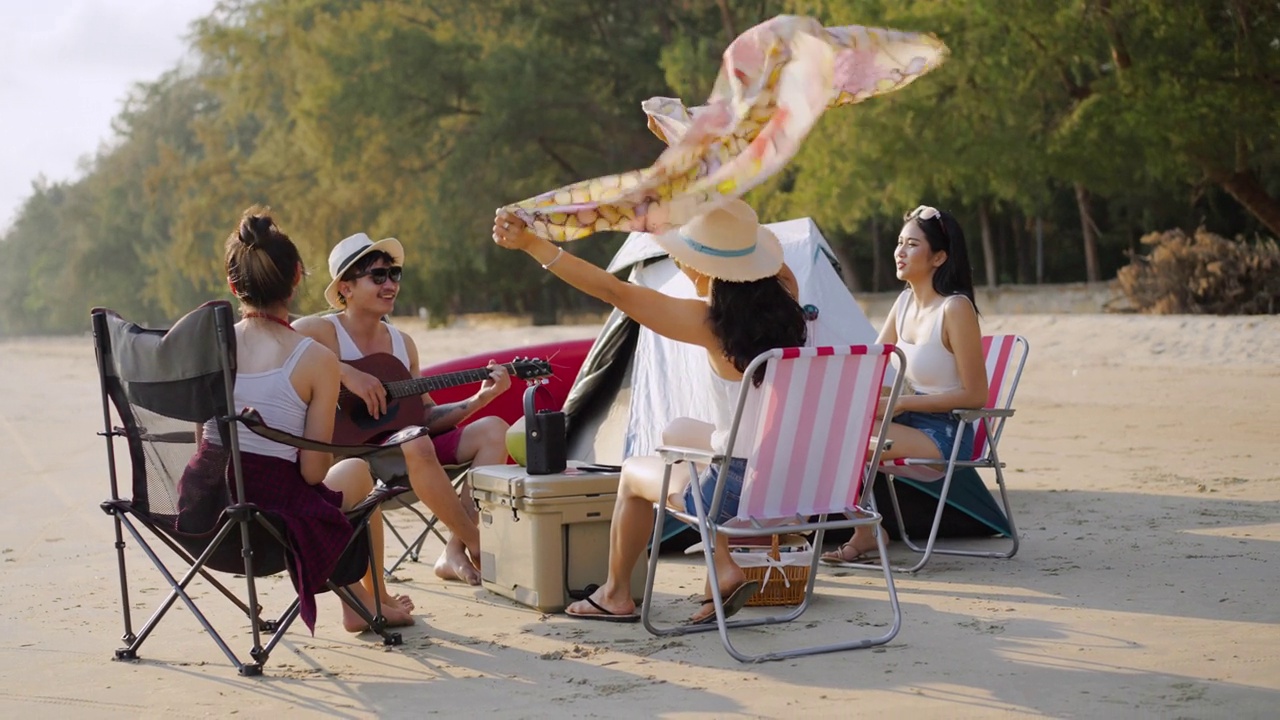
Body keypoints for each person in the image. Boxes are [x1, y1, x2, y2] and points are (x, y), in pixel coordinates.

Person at [492, 198, 807, 624]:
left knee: (633, 474)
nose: (681, 266)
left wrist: (533, 245)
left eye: (686, 258)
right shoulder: (791, 305)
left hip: (737, 490)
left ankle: (616, 592)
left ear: (710, 268)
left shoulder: (710, 323)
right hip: (795, 478)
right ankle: (724, 562)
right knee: (676, 432)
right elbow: (772, 264)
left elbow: (612, 290)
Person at [181, 207, 414, 633]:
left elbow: (204, 442)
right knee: (356, 473)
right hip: (270, 528)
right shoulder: (317, 361)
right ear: (297, 278)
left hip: (201, 516)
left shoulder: (209, 348)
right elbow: (311, 474)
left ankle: (361, 601)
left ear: (234, 285)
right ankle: (371, 600)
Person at [294, 233, 512, 586]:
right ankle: (477, 543)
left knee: (494, 429)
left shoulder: (402, 344)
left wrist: (479, 401)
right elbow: (280, 342)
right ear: (345, 289)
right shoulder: (321, 331)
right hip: (352, 460)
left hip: (408, 452)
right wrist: (345, 372)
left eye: (394, 274)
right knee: (416, 442)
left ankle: (454, 549)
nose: (390, 284)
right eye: (377, 276)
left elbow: (423, 417)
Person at [820, 204, 989, 566]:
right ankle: (866, 530)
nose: (899, 251)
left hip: (947, 433)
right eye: (899, 242)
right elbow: (874, 364)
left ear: (939, 257)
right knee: (831, 428)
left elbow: (976, 396)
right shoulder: (903, 303)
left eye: (912, 244)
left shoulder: (955, 309)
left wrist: (900, 404)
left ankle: (865, 530)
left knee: (848, 442)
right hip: (910, 425)